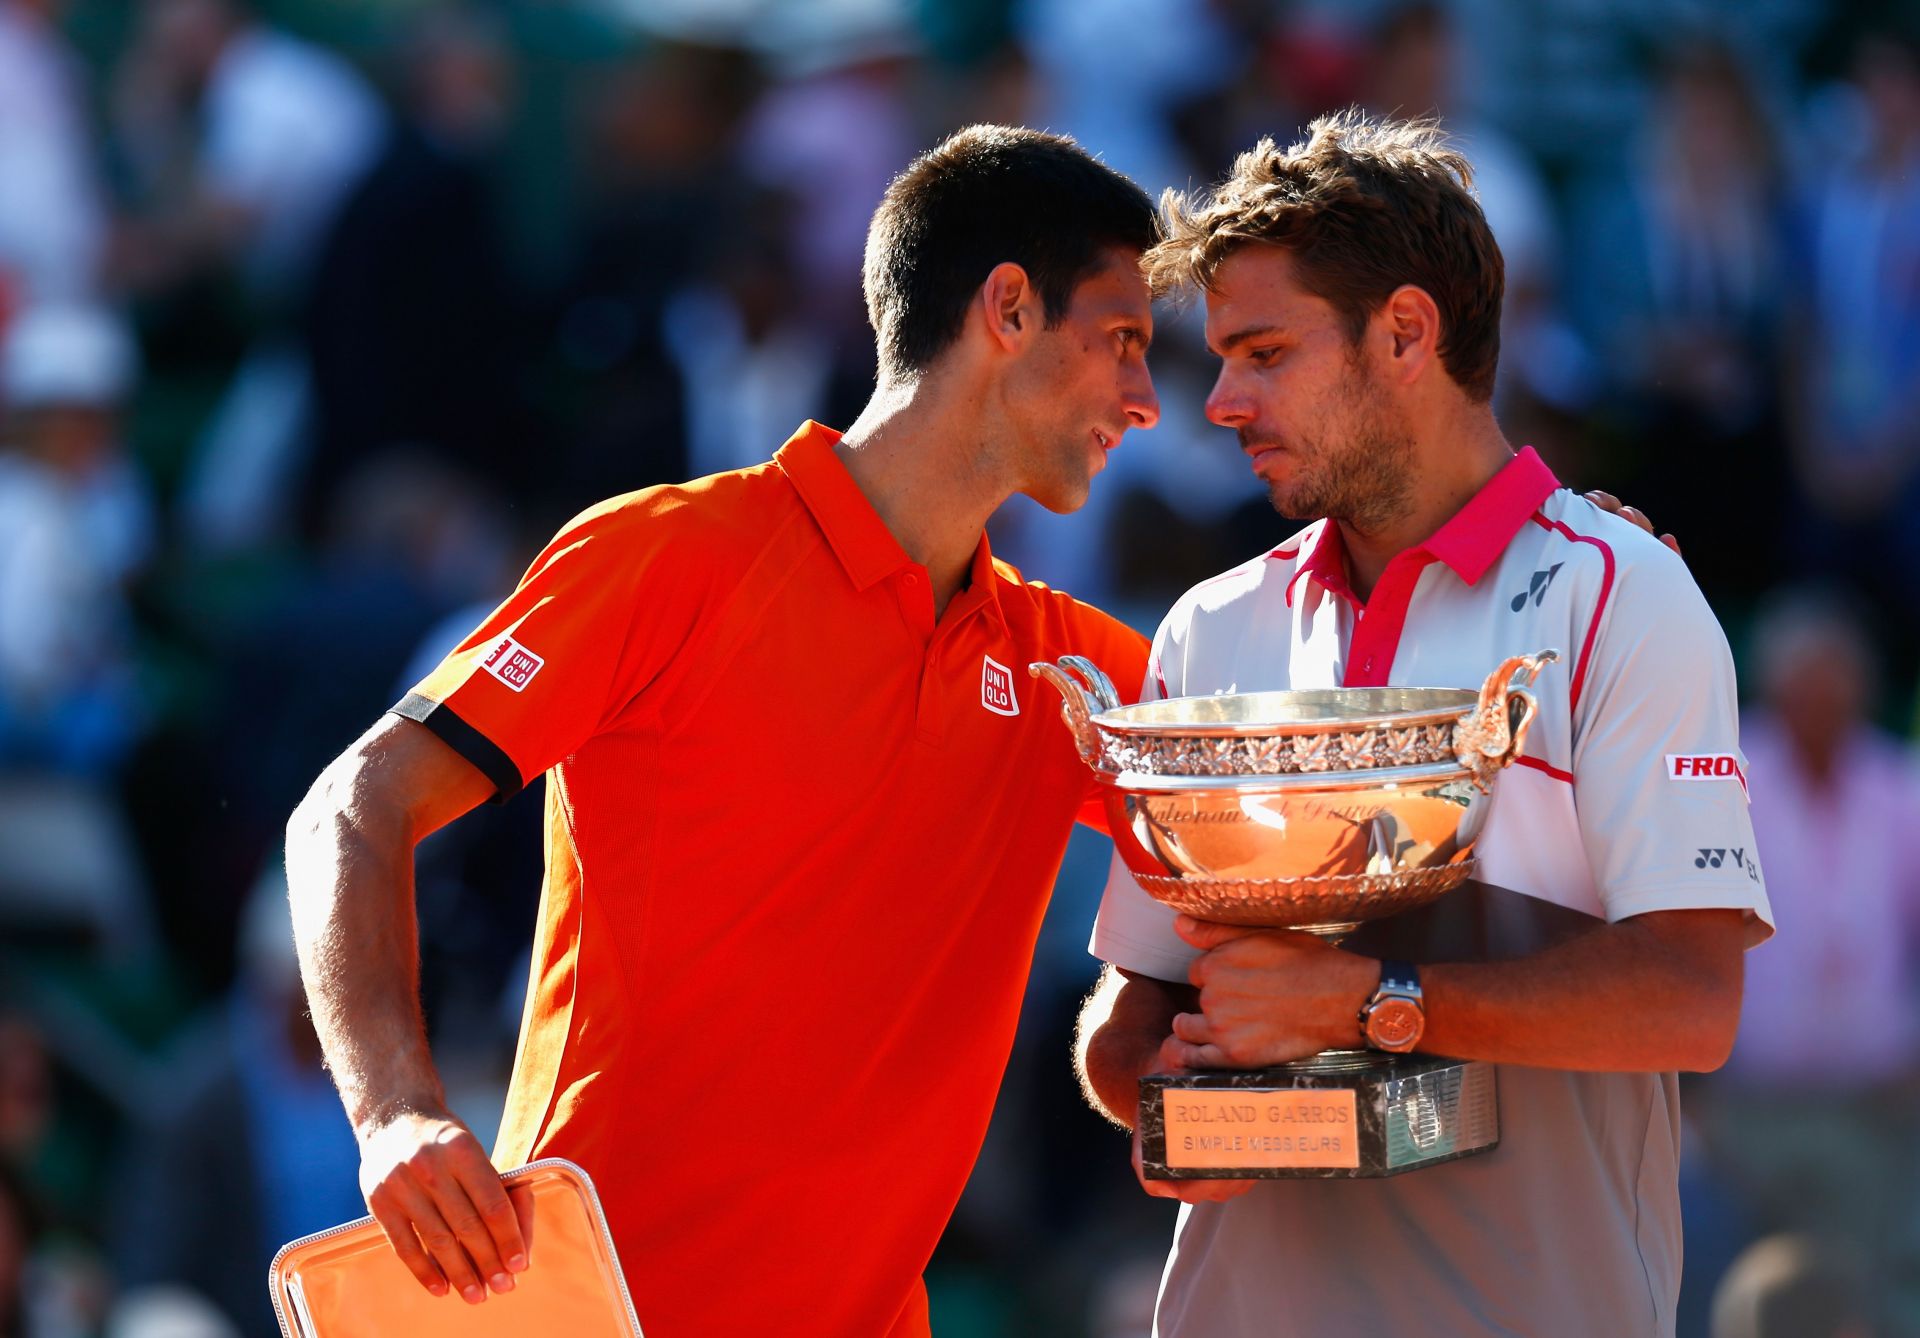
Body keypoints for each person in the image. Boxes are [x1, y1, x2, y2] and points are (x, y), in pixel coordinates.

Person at [285, 124, 1161, 1338]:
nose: (1147, 399)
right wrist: (394, 1110)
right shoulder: (671, 556)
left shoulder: (1071, 664)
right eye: (1120, 342)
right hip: (582, 1318)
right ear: (1007, 308)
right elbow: (353, 805)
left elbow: (1269, 830)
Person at [1074, 111, 1772, 1338]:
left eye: (1264, 352)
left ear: (1406, 332)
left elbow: (1689, 1000)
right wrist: (1167, 1103)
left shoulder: (1625, 595)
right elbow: (1126, 1024)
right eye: (1222, 359)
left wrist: (1364, 1001)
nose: (1223, 402)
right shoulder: (1206, 627)